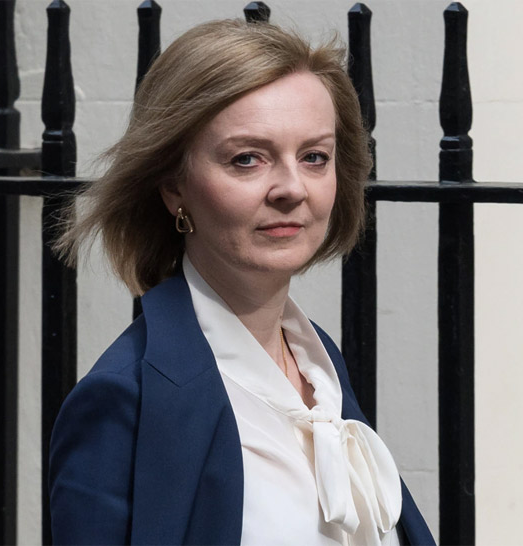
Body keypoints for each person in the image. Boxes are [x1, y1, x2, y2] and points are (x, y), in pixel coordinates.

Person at [49, 19, 435, 546]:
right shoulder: (124, 400)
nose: (292, 188)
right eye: (247, 159)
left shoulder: (317, 363)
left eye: (314, 157)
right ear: (173, 187)